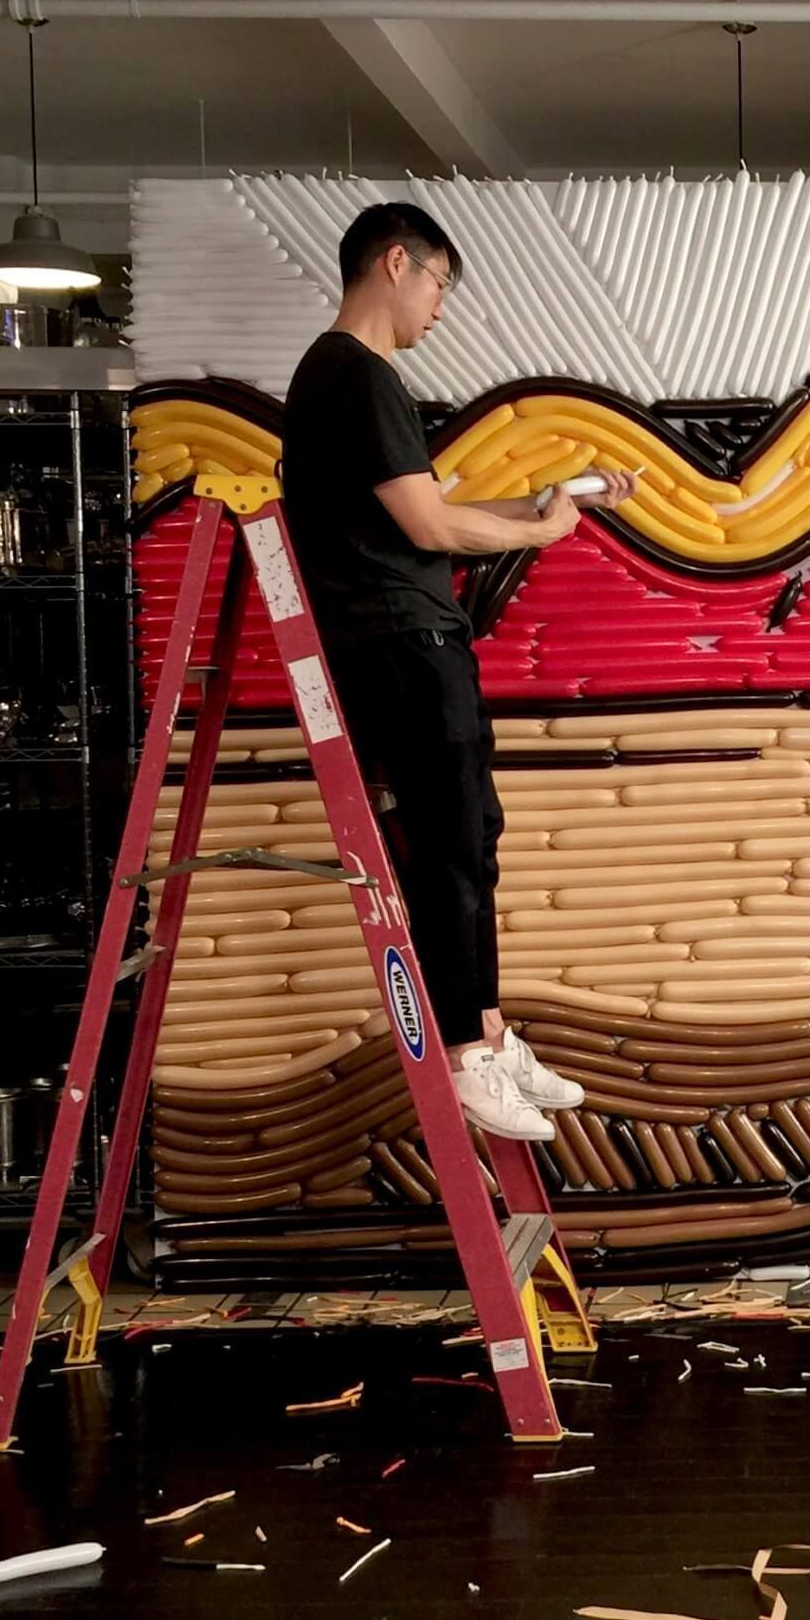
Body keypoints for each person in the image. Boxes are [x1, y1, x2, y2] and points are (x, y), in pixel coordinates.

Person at [281, 201, 637, 1141]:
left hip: (414, 636)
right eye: (441, 283)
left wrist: (548, 502)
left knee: (474, 833)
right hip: (397, 642)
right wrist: (540, 529)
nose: (441, 307)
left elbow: (427, 509)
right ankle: (466, 1055)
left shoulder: (354, 382)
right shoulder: (352, 376)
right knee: (448, 844)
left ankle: (486, 1031)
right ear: (396, 263)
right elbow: (433, 529)